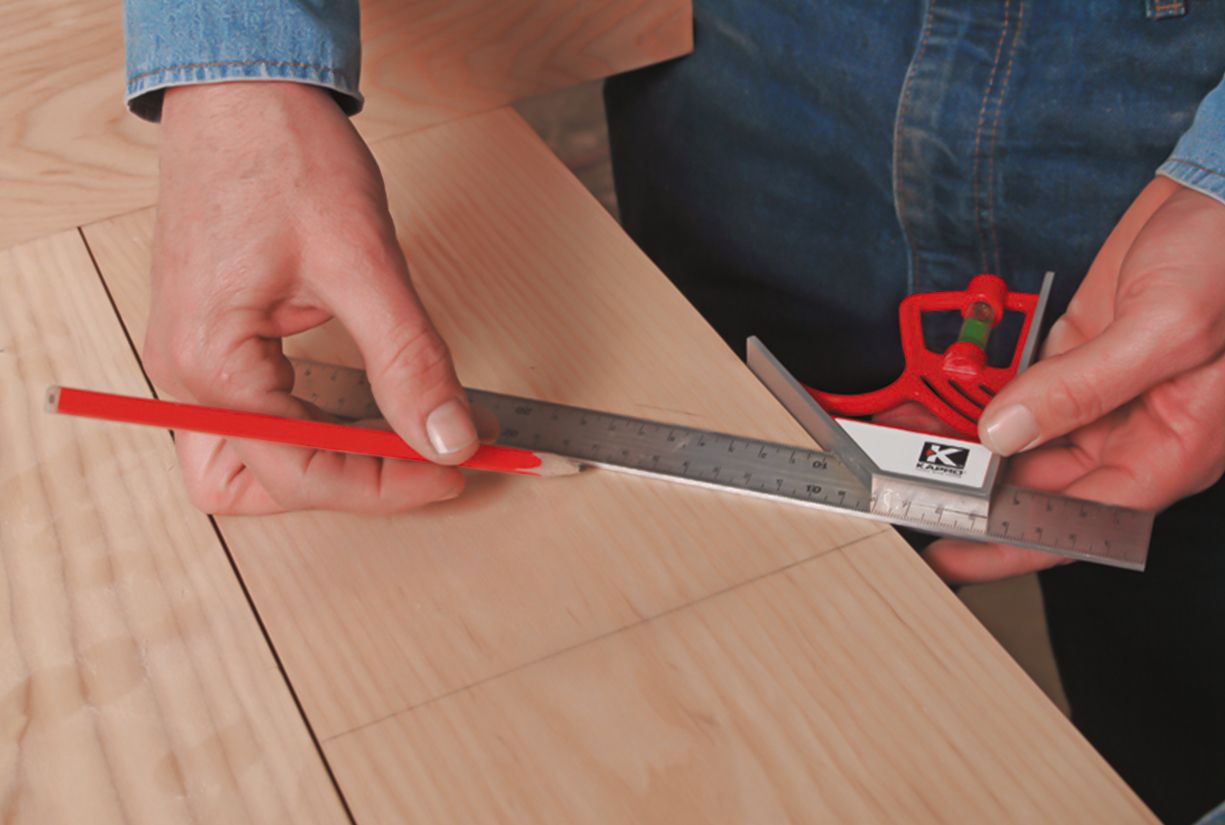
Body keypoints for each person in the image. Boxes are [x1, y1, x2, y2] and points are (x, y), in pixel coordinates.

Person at [124, 2, 1225, 821]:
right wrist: (237, 62)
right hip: (754, 77)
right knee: (772, 702)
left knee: (1179, 712)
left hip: (1177, 111)